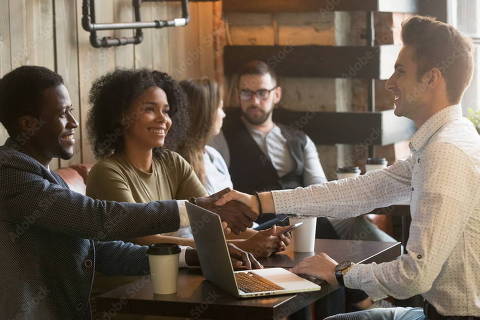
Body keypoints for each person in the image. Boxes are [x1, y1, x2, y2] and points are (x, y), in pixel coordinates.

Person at [217, 16, 480, 319]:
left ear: (431, 78)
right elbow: (361, 190)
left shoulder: (445, 153)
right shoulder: (445, 139)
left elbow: (414, 276)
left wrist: (341, 272)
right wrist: (259, 201)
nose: (390, 82)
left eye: (400, 71)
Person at [0, 66, 258, 319]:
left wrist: (195, 256)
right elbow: (97, 218)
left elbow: (102, 251)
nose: (74, 122)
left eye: (72, 111)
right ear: (28, 124)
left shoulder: (47, 177)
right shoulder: (9, 173)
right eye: (63, 114)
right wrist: (195, 206)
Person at [86, 70, 288, 260]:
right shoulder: (107, 172)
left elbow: (210, 222)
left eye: (166, 111)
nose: (162, 119)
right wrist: (243, 246)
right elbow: (143, 239)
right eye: (149, 109)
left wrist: (264, 235)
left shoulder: (172, 162)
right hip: (127, 286)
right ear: (122, 117)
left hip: (177, 275)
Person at [211, 59, 395, 243]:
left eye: (262, 93)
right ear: (237, 95)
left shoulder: (300, 140)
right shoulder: (222, 139)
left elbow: (321, 191)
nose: (254, 101)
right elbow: (220, 196)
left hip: (305, 219)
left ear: (276, 94)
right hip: (260, 227)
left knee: (355, 223)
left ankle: (393, 259)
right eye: (246, 93)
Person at [179, 78, 291, 257]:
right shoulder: (181, 164)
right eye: (219, 109)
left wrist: (264, 235)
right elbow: (213, 227)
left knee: (295, 220)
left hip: (245, 231)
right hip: (210, 246)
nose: (223, 115)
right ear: (205, 114)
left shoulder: (213, 155)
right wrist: (253, 241)